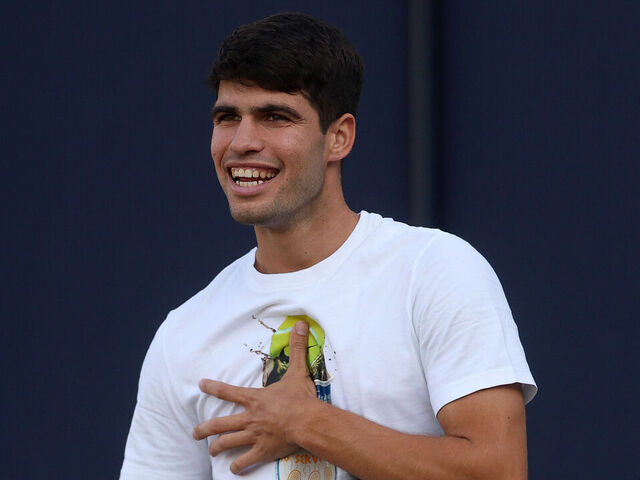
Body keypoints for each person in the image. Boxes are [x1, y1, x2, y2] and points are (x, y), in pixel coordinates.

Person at [120, 11, 536, 480]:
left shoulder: (435, 271)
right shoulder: (184, 334)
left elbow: (498, 471)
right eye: (227, 117)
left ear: (339, 137)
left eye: (274, 117)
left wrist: (309, 422)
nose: (242, 142)